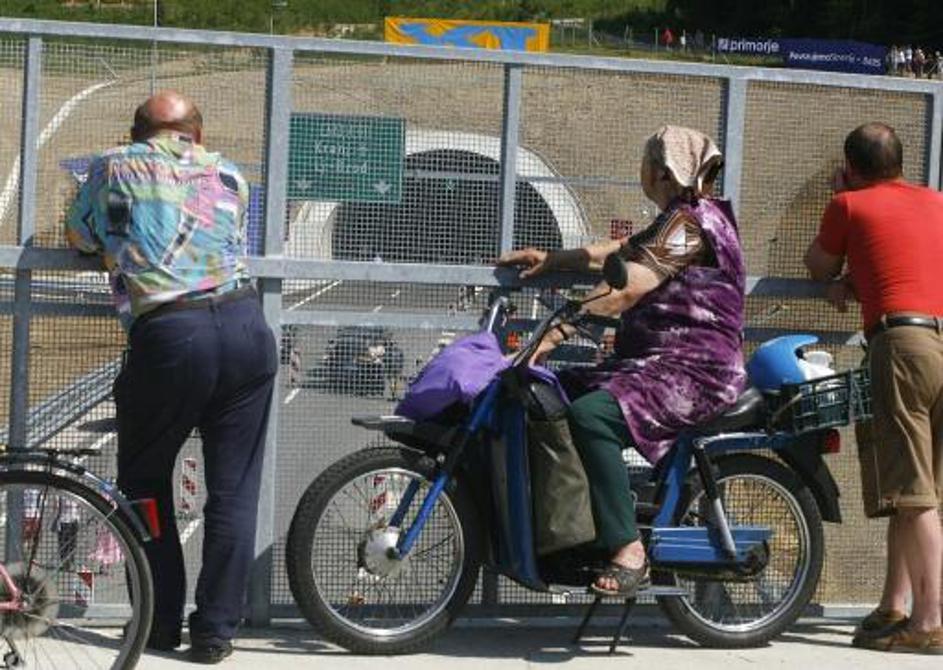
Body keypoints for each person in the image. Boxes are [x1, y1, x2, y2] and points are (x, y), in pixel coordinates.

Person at [65, 90, 277, 664]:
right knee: (233, 490)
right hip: (245, 326)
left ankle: (158, 624)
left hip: (171, 336)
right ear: (197, 134)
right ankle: (215, 632)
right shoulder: (230, 173)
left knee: (146, 484)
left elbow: (79, 236)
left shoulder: (111, 165)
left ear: (136, 132)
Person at [498, 125, 746, 596]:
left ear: (660, 172)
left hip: (694, 369)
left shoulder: (693, 224)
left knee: (592, 415)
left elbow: (630, 283)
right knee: (553, 392)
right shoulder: (680, 218)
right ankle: (575, 530)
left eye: (646, 164)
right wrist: (555, 259)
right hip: (658, 360)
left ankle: (629, 548)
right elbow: (621, 251)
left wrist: (551, 336)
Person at [804, 122, 943, 654]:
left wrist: (845, 269)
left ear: (851, 167)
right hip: (938, 336)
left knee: (914, 495)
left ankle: (929, 624)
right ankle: (894, 607)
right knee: (915, 492)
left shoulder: (851, 205)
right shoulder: (934, 202)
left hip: (901, 346)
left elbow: (817, 264)